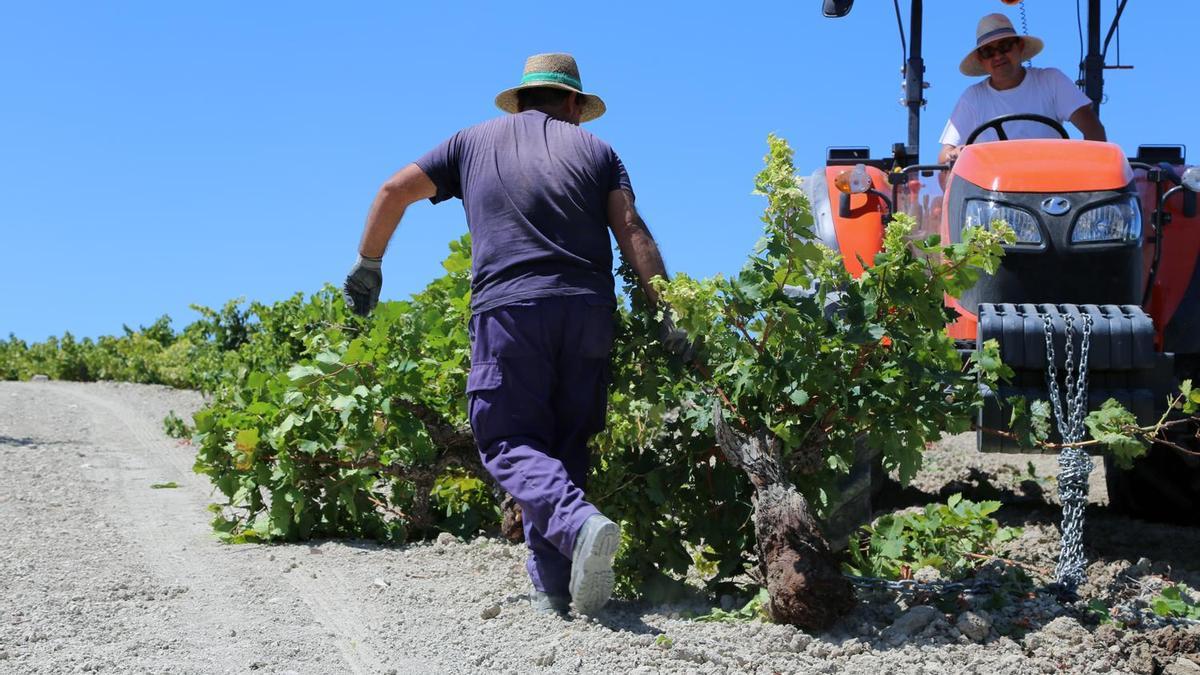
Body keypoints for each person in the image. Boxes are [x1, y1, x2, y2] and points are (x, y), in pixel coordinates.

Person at [342, 53, 688, 616]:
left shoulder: (470, 142)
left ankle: (577, 529)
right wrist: (668, 311)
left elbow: (391, 190)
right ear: (573, 104)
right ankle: (556, 589)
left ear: (522, 98)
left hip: (512, 309)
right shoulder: (600, 152)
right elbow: (631, 227)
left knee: (507, 439)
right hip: (588, 311)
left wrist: (368, 264)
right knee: (565, 445)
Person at [939, 13, 1107, 165]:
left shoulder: (1050, 80)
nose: (997, 56)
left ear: (1019, 46)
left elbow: (1093, 129)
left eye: (1004, 46)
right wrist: (954, 154)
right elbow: (943, 158)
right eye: (988, 52)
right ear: (981, 60)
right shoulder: (973, 97)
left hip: (1051, 188)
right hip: (993, 195)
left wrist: (1088, 174)